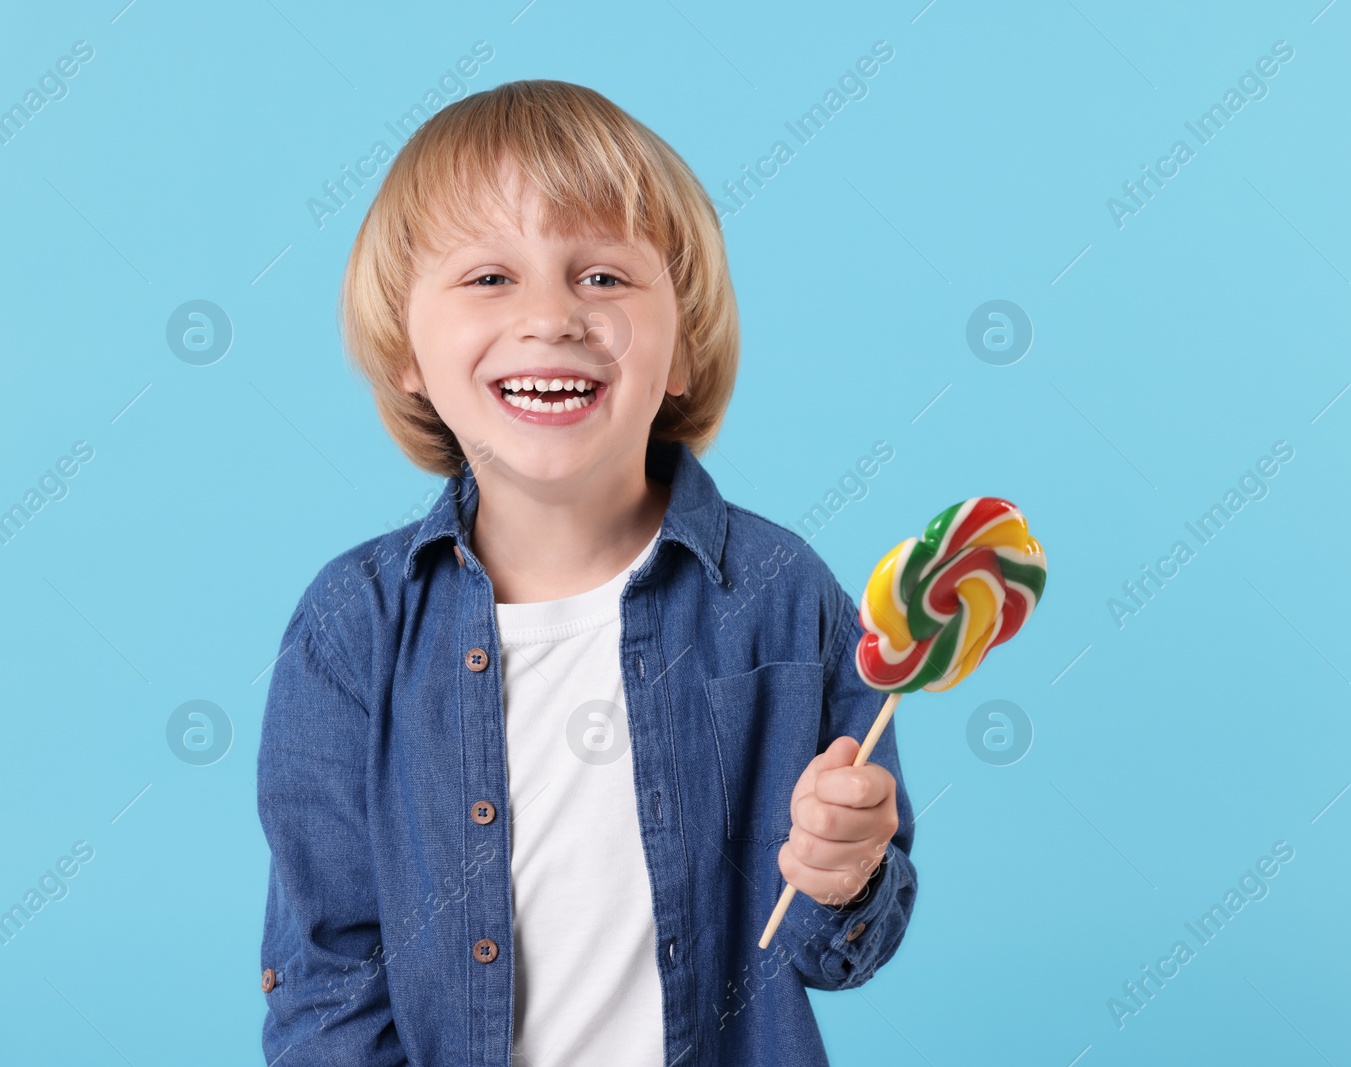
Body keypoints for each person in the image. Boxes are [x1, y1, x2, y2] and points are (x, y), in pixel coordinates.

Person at [256, 78, 917, 1066]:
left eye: (602, 276)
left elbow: (839, 952)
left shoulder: (780, 593)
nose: (551, 316)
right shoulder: (352, 630)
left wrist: (846, 873)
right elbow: (327, 978)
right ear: (405, 349)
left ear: (682, 346)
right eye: (489, 278)